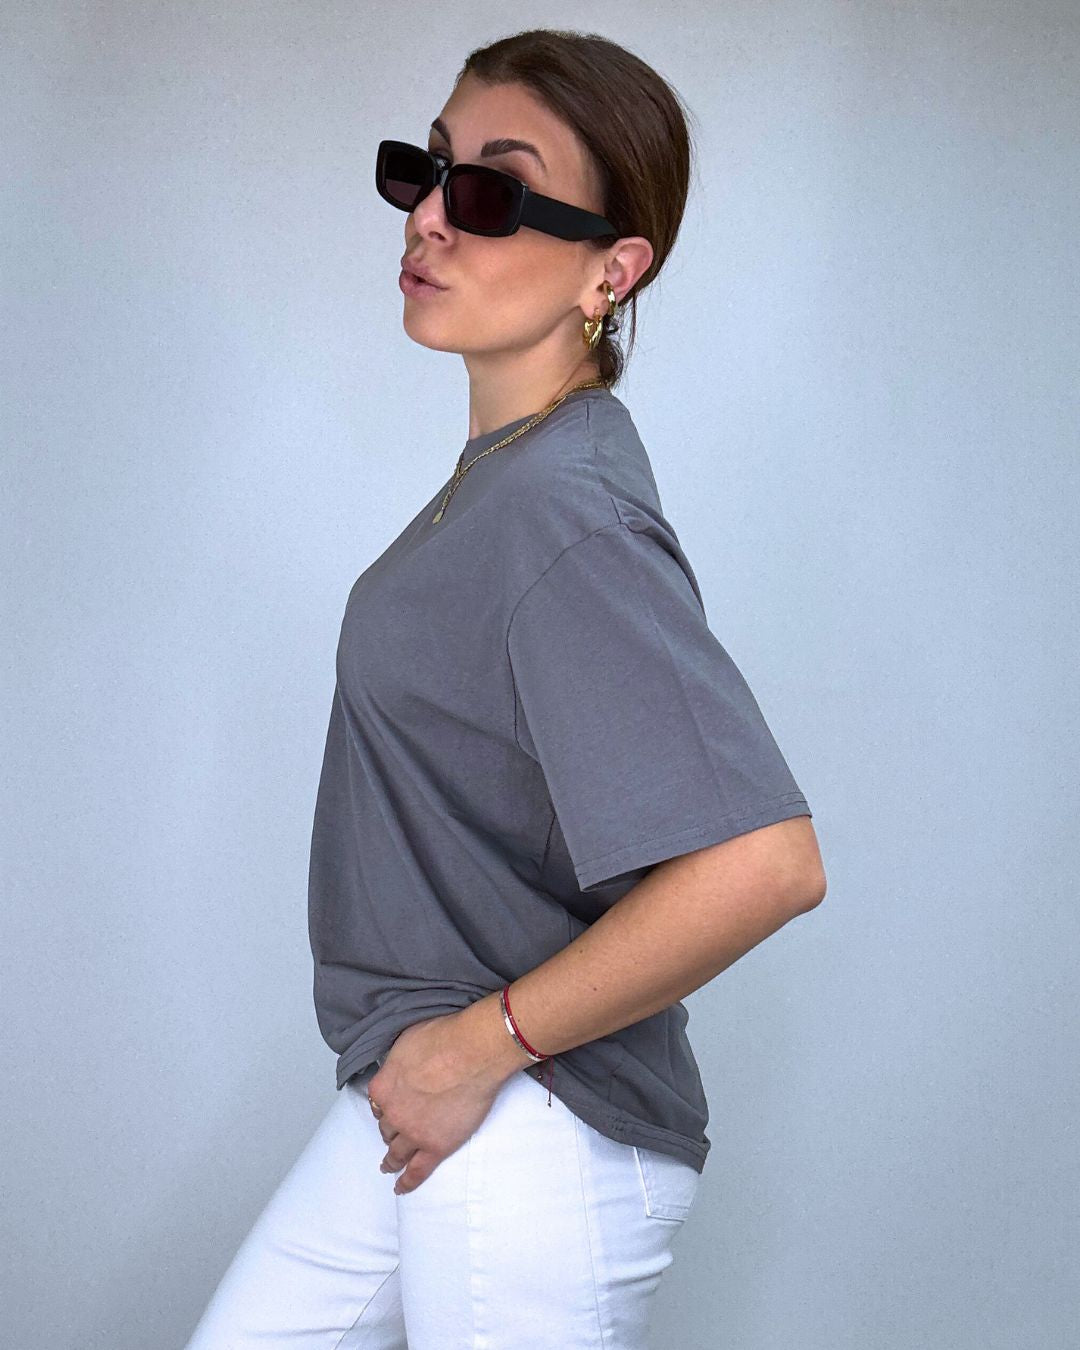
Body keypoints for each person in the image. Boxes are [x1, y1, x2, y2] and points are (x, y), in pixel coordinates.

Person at [182, 26, 826, 1350]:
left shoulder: (562, 512)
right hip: (431, 1092)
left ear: (611, 270)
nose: (429, 215)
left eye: (489, 191)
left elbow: (767, 862)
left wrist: (480, 1047)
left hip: (527, 1124)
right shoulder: (512, 482)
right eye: (424, 169)